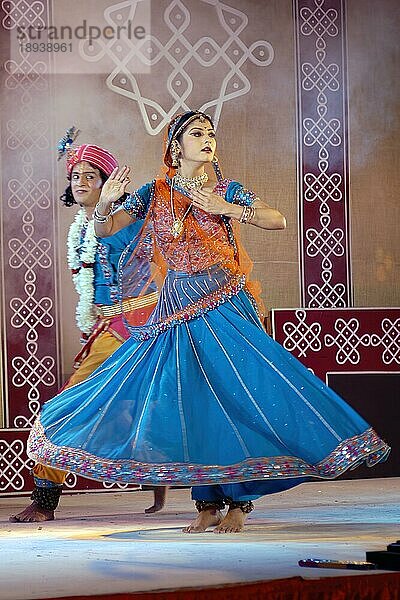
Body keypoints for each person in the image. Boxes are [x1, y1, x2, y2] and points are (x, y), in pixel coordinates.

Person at [26, 111, 390, 533]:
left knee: (234, 397)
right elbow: (110, 228)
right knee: (191, 400)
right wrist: (106, 202)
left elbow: (278, 219)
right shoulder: (155, 191)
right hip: (176, 306)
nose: (207, 139)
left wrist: (227, 208)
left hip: (222, 303)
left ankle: (239, 503)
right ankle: (206, 504)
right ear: (175, 146)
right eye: (197, 133)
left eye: (211, 133)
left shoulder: (226, 189)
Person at [10, 143, 162, 523]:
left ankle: (45, 499)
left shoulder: (127, 222)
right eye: (75, 176)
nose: (80, 182)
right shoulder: (80, 228)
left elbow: (157, 251)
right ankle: (50, 497)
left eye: (90, 176)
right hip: (106, 329)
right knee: (119, 410)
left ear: (107, 183)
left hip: (139, 329)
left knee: (163, 406)